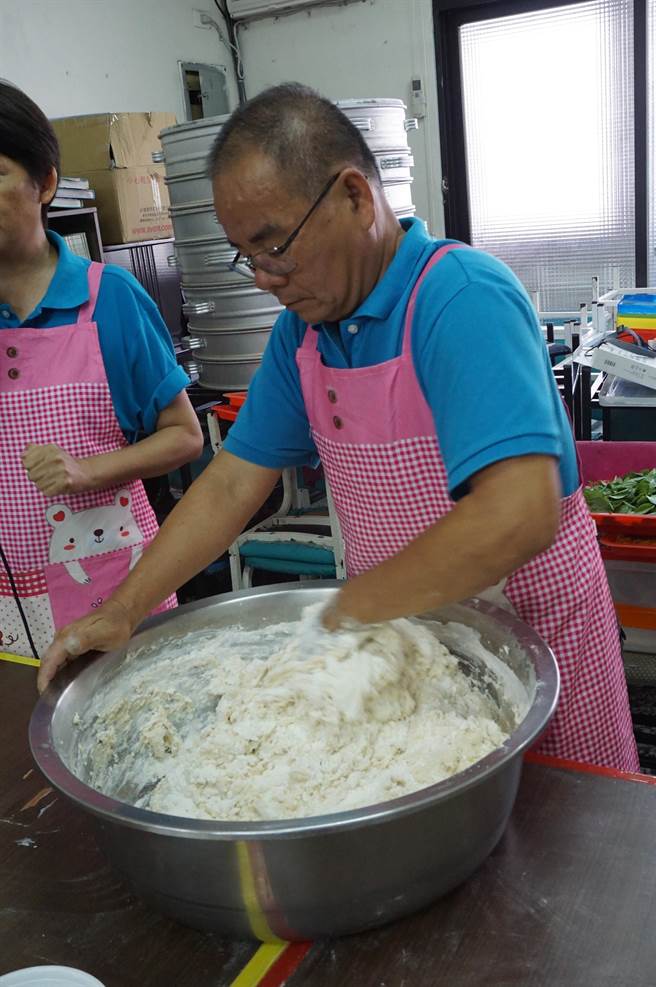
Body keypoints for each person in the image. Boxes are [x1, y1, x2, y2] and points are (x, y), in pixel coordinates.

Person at [39, 83, 638, 773]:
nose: (263, 278)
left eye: (275, 247)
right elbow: (234, 479)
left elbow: (519, 512)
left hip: (534, 654)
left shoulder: (461, 300)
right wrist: (126, 607)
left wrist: (356, 608)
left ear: (356, 196)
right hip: (404, 655)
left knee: (562, 850)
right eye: (245, 255)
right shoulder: (306, 334)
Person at [0, 81, 203, 660]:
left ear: (46, 183)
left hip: (109, 583)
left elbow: (185, 436)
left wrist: (87, 471)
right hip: (9, 599)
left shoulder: (106, 298)